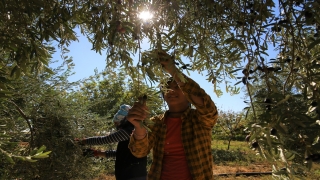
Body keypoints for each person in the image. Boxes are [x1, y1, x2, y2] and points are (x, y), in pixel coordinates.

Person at [126, 50, 219, 180]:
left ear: (188, 95)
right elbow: (140, 152)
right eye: (166, 88)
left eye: (177, 87)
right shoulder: (156, 122)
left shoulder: (199, 119)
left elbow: (208, 108)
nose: (171, 90)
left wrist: (174, 71)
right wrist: (139, 127)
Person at [79, 104, 147, 180]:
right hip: (129, 175)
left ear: (124, 121)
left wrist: (82, 141)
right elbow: (120, 153)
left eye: (117, 124)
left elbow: (105, 139)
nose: (117, 127)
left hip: (133, 175)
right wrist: (96, 153)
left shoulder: (129, 132)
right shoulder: (129, 133)